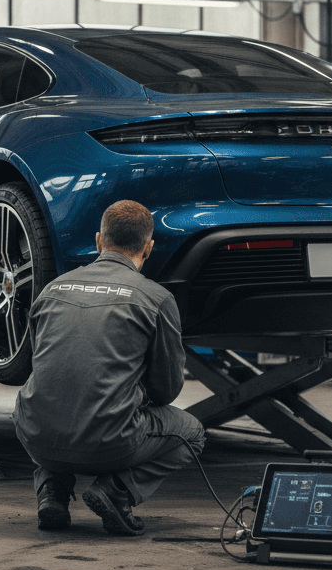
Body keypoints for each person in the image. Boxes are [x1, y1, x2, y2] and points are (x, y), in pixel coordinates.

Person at [13, 199, 204, 535]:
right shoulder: (156, 298)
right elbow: (167, 389)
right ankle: (116, 490)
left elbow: (43, 368)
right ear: (148, 248)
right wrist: (131, 390)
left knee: (48, 398)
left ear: (99, 240)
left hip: (35, 439)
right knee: (192, 432)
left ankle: (52, 494)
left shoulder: (50, 290)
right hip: (110, 444)